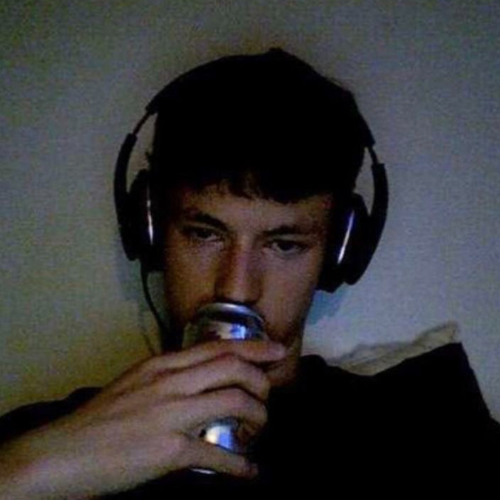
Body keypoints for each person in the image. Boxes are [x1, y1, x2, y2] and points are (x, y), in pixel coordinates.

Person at [0, 49, 498, 498]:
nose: (236, 288)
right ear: (150, 231)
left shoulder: (427, 426)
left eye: (284, 245)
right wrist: (28, 471)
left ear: (341, 253)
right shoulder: (42, 444)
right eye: (204, 234)